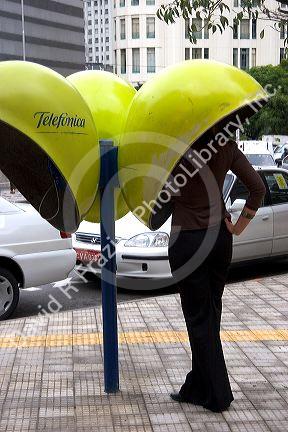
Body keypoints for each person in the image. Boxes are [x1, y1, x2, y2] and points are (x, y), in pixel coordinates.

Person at [167, 135, 266, 413]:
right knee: (209, 314)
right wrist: (237, 228)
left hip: (188, 239)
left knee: (199, 318)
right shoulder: (226, 145)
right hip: (220, 240)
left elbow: (158, 195)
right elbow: (257, 188)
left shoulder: (175, 149)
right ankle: (197, 385)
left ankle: (218, 395)